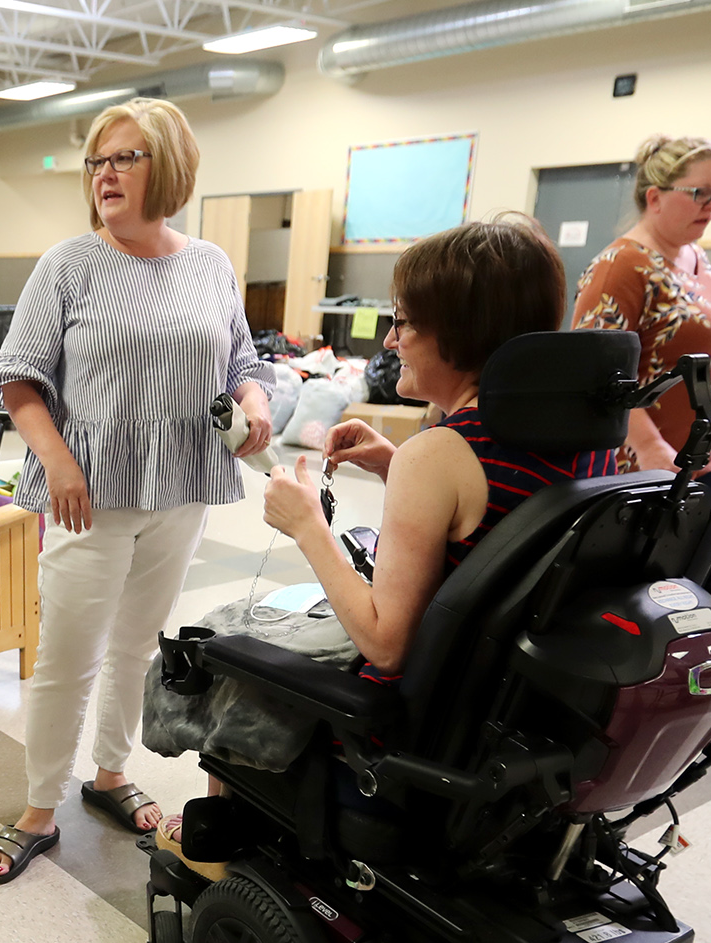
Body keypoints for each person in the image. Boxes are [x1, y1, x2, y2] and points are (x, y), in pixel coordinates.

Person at [0, 97, 272, 884]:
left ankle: (108, 773)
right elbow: (17, 380)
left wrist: (256, 401)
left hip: (182, 485)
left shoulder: (209, 263)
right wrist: (60, 461)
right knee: (67, 655)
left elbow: (242, 358)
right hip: (88, 495)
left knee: (137, 645)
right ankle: (40, 805)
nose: (104, 173)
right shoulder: (68, 265)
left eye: (124, 158)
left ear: (166, 166)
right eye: (96, 161)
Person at [261, 218, 621, 684]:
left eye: (402, 322)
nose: (390, 341)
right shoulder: (588, 437)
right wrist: (397, 466)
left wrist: (306, 524)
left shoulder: (438, 454)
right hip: (520, 695)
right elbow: (498, 528)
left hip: (427, 719)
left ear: (460, 331)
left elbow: (387, 646)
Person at [570, 135, 711, 538]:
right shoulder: (621, 267)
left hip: (705, 461)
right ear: (655, 197)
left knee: (701, 592)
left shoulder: (694, 255)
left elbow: (698, 354)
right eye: (699, 193)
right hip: (640, 473)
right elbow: (596, 375)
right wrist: (648, 445)